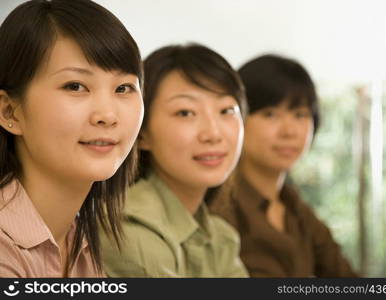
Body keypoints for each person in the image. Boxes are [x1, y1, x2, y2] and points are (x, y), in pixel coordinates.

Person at [0, 0, 144, 277]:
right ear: (10, 111)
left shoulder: (80, 240)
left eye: (124, 88)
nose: (107, 115)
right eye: (75, 86)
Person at [100, 44, 249, 277]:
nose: (213, 133)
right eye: (185, 112)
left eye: (226, 110)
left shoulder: (222, 238)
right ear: (142, 132)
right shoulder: (127, 229)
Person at [209, 54, 358, 277]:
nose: (289, 131)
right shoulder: (218, 206)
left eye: (300, 115)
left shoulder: (295, 208)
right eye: (270, 115)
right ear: (236, 119)